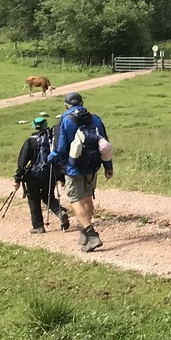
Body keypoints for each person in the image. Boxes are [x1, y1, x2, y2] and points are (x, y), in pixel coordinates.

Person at [50, 92, 113, 253]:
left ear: (66, 105)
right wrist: (108, 166)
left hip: (73, 168)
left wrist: (50, 158)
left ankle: (92, 234)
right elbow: (104, 144)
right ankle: (85, 231)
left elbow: (60, 148)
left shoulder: (65, 120)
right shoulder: (95, 118)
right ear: (82, 103)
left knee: (75, 200)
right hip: (92, 165)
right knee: (87, 197)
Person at [14, 113, 66, 233]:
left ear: (33, 126)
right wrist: (61, 177)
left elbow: (22, 162)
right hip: (50, 174)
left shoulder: (30, 141)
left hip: (34, 176)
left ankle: (38, 226)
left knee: (33, 199)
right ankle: (60, 212)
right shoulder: (52, 140)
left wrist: (17, 179)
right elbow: (59, 158)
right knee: (48, 197)